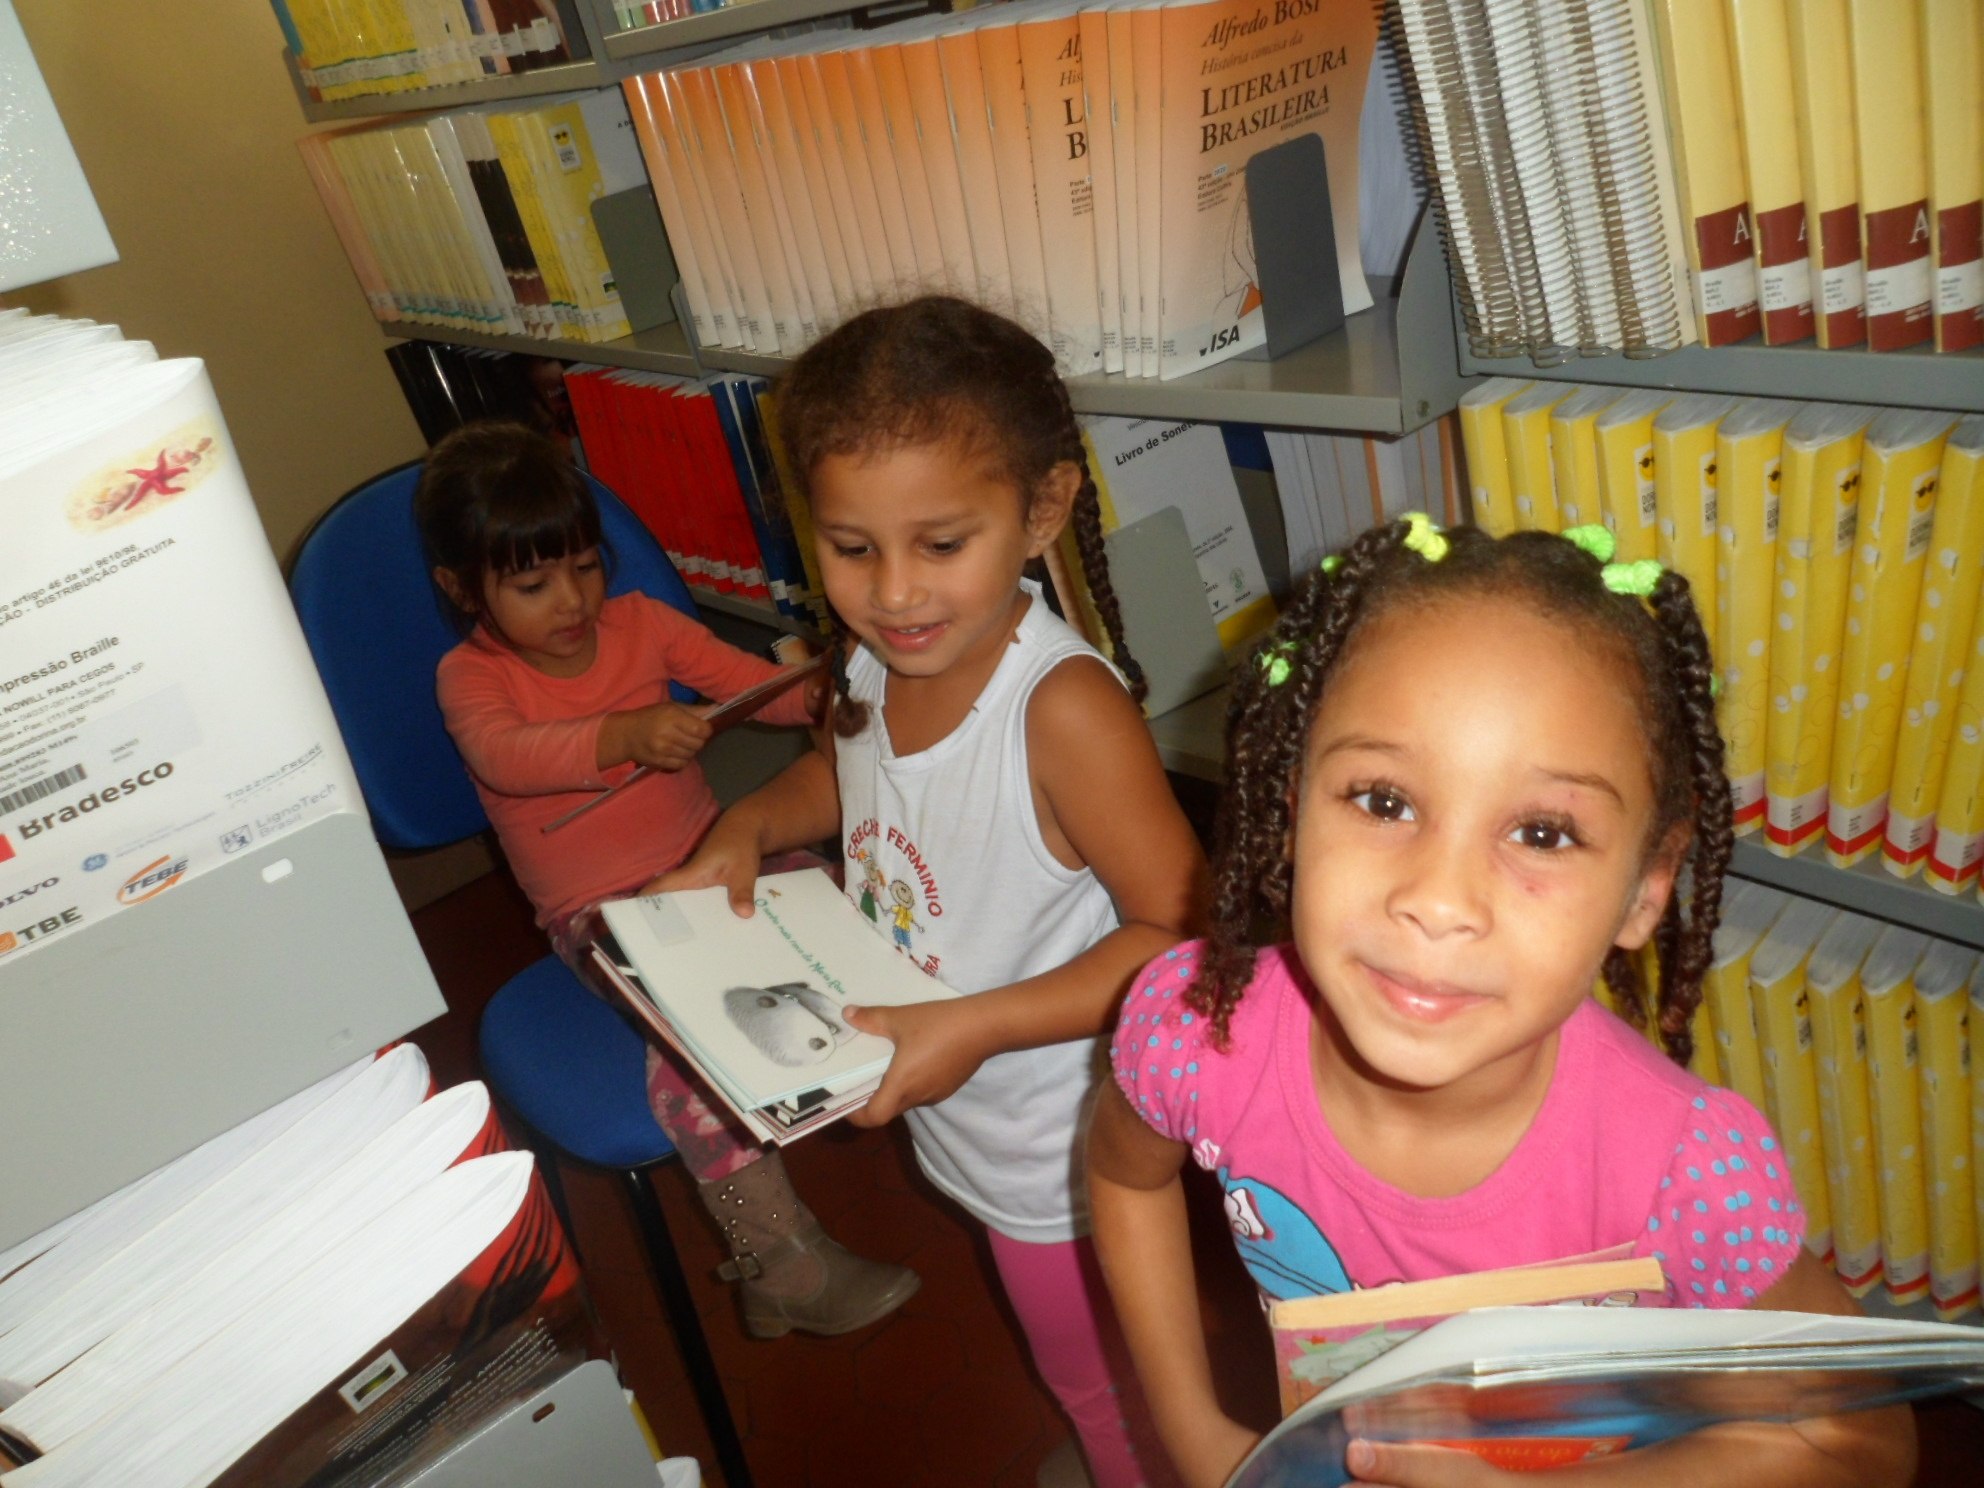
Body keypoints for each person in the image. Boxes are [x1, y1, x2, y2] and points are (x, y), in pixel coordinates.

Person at [1087, 517, 1919, 1488]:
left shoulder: (1684, 1174)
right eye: (1383, 800)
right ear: (1286, 808)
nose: (1438, 902)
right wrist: (1187, 1425)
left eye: (1542, 833)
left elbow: (1860, 1443)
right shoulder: (1197, 1032)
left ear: (1645, 891)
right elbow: (1125, 1176)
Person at [657, 298, 1210, 1488]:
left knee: (1103, 1378)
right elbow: (845, 773)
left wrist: (976, 1024)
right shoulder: (874, 654)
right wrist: (751, 820)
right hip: (954, 1095)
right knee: (1090, 1367)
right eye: (851, 549)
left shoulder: (1061, 711)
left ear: (1043, 509)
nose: (894, 593)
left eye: (940, 544)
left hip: (1063, 1145)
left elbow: (1181, 932)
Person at [415, 420, 919, 1340]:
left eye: (583, 568)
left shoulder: (641, 623)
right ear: (461, 590)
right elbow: (507, 753)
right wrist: (624, 735)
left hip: (715, 860)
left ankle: (931, 1104)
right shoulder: (468, 677)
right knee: (695, 1051)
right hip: (601, 915)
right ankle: (781, 1264)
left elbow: (758, 689)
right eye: (532, 585)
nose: (570, 601)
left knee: (867, 913)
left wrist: (833, 681)